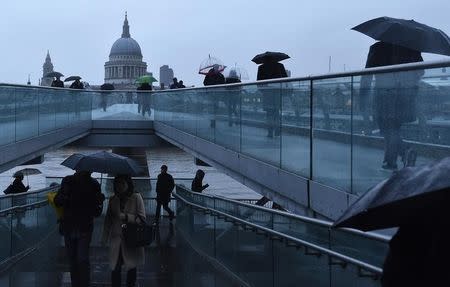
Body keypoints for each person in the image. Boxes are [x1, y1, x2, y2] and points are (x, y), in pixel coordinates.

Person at [361, 41, 423, 170]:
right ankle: (390, 161)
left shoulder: (377, 48)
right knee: (393, 128)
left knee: (386, 128)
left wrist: (363, 96)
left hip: (384, 94)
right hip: (406, 95)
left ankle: (403, 152)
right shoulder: (411, 47)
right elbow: (420, 71)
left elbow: (367, 74)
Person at [54, 170, 105, 287]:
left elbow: (57, 202)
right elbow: (58, 201)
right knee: (79, 259)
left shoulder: (69, 181)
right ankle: (81, 283)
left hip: (74, 226)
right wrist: (99, 202)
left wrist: (98, 202)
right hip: (81, 226)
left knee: (77, 259)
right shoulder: (93, 184)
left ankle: (78, 284)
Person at [102, 175, 145, 287]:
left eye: (122, 183)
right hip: (116, 240)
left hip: (131, 239)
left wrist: (126, 217)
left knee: (131, 270)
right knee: (115, 269)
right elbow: (108, 220)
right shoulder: (112, 199)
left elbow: (142, 219)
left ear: (128, 184)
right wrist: (104, 238)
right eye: (117, 183)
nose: (119, 186)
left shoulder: (136, 197)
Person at [256, 58, 288, 137]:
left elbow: (258, 82)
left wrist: (263, 91)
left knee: (269, 113)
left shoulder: (261, 67)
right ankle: (277, 130)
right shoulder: (280, 66)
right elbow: (285, 78)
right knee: (276, 112)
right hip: (277, 92)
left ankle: (270, 132)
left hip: (267, 93)